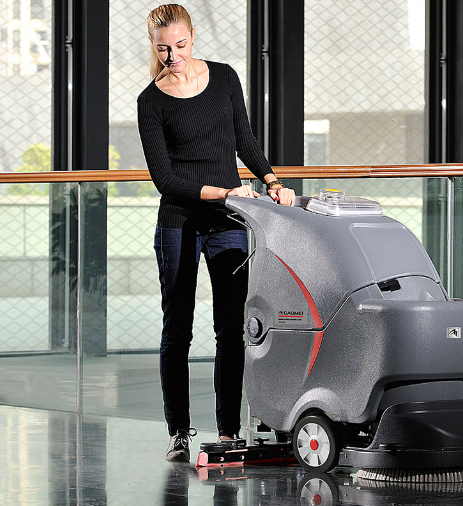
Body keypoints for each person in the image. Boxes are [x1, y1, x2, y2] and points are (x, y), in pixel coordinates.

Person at [137, 4, 295, 462]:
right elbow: (165, 180)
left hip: (227, 223)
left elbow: (244, 140)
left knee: (230, 328)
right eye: (163, 49)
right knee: (177, 329)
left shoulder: (224, 77)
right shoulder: (151, 102)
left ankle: (228, 431)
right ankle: (178, 432)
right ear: (153, 46)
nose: (173, 56)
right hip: (179, 223)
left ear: (192, 37)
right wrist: (224, 192)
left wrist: (272, 181)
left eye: (180, 45)